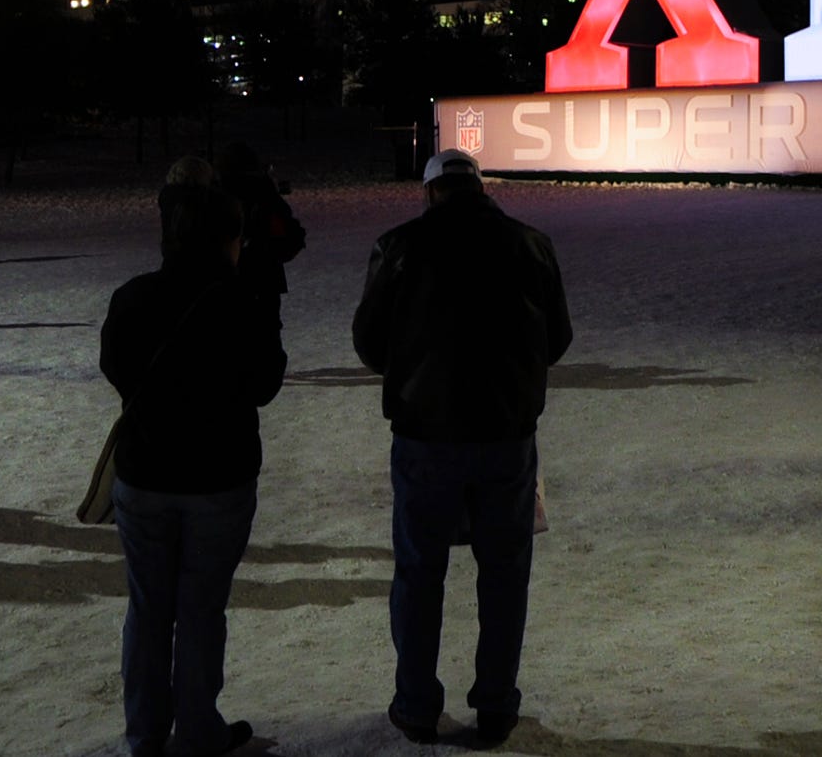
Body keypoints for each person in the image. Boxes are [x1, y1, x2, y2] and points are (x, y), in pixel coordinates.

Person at [352, 149, 573, 748]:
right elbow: (558, 338)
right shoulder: (530, 243)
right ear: (480, 187)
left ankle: (417, 704)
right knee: (504, 574)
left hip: (425, 434)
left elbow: (369, 342)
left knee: (420, 572)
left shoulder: (399, 246)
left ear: (430, 193)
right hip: (506, 435)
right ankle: (497, 704)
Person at [100, 178, 285, 757]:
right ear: (229, 240)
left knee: (148, 609)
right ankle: (198, 729)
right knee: (201, 610)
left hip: (145, 475)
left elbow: (117, 370)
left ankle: (145, 734)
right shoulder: (241, 302)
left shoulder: (132, 297)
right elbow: (265, 385)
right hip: (217, 479)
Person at [217, 139, 306, 328]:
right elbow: (290, 237)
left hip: (222, 282)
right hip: (262, 279)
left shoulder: (214, 194)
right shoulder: (264, 194)